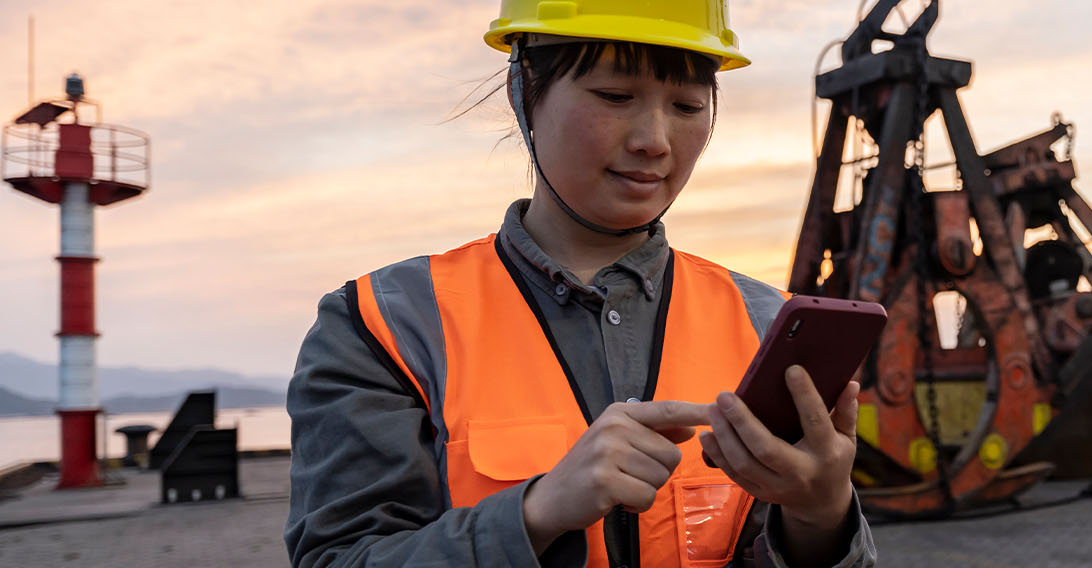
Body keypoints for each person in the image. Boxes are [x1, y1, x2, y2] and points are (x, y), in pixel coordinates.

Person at [283, 1, 875, 566]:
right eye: (615, 96)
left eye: (688, 106)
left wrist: (821, 518)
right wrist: (538, 512)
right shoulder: (385, 326)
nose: (655, 139)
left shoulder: (764, 322)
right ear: (523, 91)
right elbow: (342, 555)